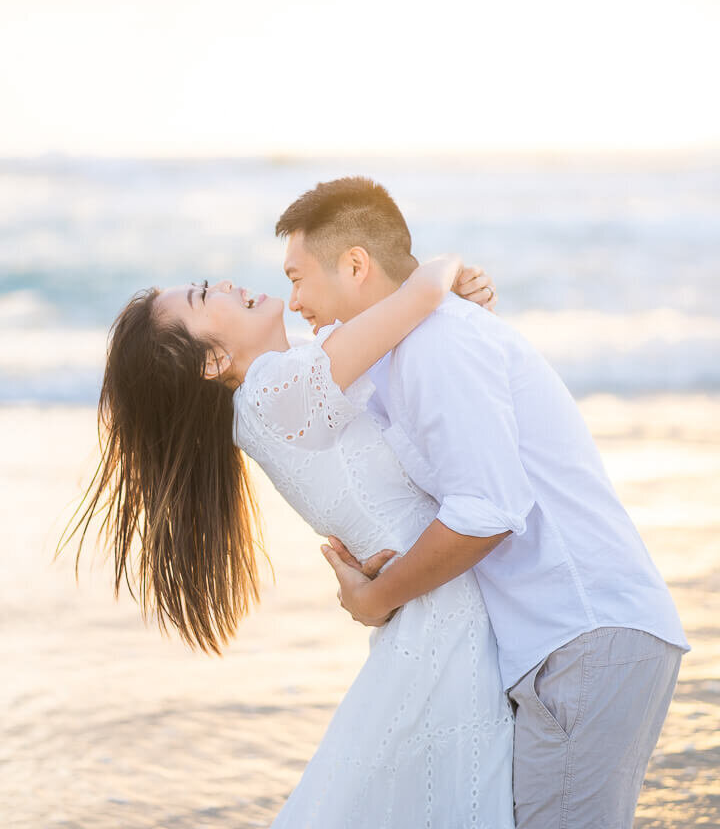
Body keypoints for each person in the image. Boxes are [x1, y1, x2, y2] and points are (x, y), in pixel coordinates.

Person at [274, 175, 690, 829]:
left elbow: (487, 513)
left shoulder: (437, 343)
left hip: (581, 635)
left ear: (354, 263)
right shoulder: (412, 348)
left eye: (297, 276)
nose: (292, 299)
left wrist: (377, 599)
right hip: (568, 642)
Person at [66, 255, 515, 827]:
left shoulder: (289, 389)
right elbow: (413, 300)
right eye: (206, 295)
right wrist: (445, 270)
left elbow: (419, 348)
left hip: (435, 605)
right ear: (213, 361)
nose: (226, 283)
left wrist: (453, 302)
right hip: (447, 612)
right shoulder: (272, 394)